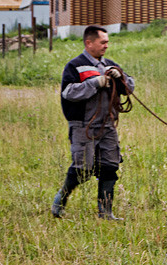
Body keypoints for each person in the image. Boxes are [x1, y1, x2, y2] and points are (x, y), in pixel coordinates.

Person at [50, 25, 135, 220]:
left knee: (110, 165)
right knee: (83, 167)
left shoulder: (111, 65)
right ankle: (60, 200)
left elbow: (129, 87)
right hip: (83, 126)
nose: (106, 46)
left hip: (108, 125)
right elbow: (68, 93)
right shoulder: (74, 66)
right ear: (89, 43)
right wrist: (95, 83)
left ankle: (105, 213)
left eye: (107, 42)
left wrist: (120, 77)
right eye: (102, 42)